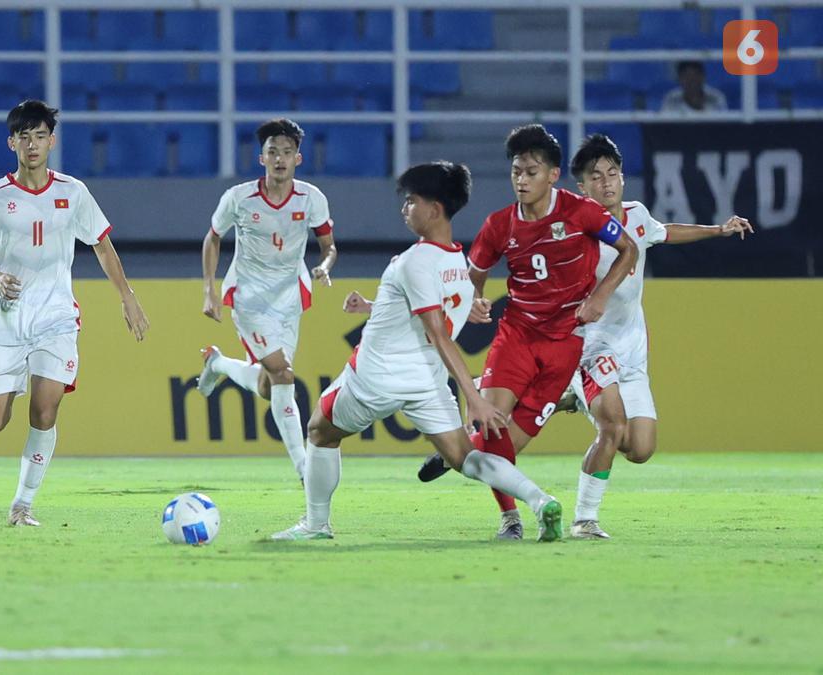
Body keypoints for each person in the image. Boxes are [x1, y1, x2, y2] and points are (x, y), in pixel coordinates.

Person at [270, 162, 564, 543]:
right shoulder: (457, 263)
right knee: (464, 458)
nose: (404, 209)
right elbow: (427, 317)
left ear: (435, 208)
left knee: (319, 431)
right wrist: (373, 307)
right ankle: (540, 501)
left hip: (377, 377)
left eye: (411, 201)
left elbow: (440, 334)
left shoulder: (414, 261)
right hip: (426, 382)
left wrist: (474, 398)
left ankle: (315, 525)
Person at [415, 124, 639, 540]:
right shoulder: (500, 225)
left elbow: (630, 249)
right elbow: (474, 274)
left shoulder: (582, 212)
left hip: (564, 347)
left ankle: (455, 452)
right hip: (517, 336)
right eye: (516, 171)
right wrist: (475, 299)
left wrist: (601, 296)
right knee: (493, 431)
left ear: (553, 175)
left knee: (498, 450)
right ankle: (511, 520)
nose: (521, 179)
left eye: (531, 171)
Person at [0, 100, 149, 527]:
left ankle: (22, 505)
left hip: (56, 316)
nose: (32, 144)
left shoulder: (73, 192)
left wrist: (127, 296)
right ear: (12, 142)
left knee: (45, 410)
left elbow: (102, 245)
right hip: (7, 316)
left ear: (52, 140)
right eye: (24, 136)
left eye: (40, 135)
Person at [562, 133, 752, 538]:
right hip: (590, 345)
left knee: (640, 448)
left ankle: (574, 398)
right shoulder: (573, 230)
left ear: (623, 179)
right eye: (596, 177)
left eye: (612, 174)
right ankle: (584, 519)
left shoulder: (635, 215)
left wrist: (718, 229)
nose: (607, 183)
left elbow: (664, 231)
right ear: (582, 187)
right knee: (612, 428)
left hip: (631, 348)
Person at [196, 118, 338, 480]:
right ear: (261, 159)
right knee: (282, 372)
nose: (279, 159)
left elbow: (328, 246)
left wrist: (323, 266)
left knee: (268, 384)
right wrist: (209, 290)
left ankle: (219, 365)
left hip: (290, 295)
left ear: (298, 159)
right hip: (249, 295)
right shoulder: (239, 198)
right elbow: (213, 237)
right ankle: (304, 467)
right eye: (272, 152)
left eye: (286, 153)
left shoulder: (312, 198)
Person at [660, 61, 728, 113]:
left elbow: (725, 126)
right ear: (679, 78)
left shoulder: (716, 97)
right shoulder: (671, 99)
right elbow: (664, 127)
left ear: (703, 76)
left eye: (695, 75)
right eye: (687, 76)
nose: (692, 80)